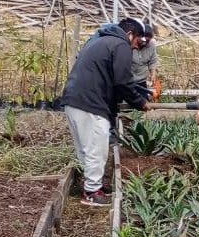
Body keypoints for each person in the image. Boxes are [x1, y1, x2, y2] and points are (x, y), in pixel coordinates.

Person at [61, 18, 149, 205]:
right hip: (89, 102)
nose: (136, 47)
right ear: (130, 34)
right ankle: (92, 192)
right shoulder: (120, 45)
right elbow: (122, 81)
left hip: (74, 100)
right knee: (96, 147)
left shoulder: (101, 41)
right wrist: (140, 102)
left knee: (86, 148)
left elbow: (112, 82)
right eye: (138, 41)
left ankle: (93, 185)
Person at [131, 23, 159, 102]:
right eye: (143, 40)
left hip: (141, 81)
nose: (145, 43)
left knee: (142, 102)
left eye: (147, 41)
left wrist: (152, 73)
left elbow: (153, 61)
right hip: (128, 81)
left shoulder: (152, 45)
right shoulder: (130, 44)